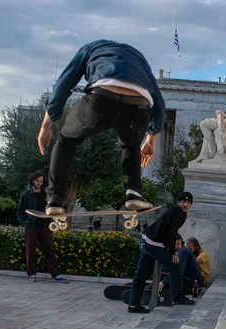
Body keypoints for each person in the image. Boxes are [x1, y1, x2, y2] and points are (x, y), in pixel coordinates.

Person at [37, 39, 165, 215]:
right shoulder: (139, 58)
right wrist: (151, 139)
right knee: (130, 145)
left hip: (102, 97)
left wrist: (47, 124)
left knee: (66, 140)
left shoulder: (89, 49)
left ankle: (55, 199)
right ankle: (134, 193)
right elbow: (158, 99)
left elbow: (64, 84)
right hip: (139, 104)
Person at [127, 191, 194, 313]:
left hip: (146, 241)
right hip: (152, 244)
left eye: (188, 202)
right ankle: (178, 297)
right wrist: (172, 252)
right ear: (178, 202)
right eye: (183, 201)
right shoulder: (177, 212)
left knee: (141, 274)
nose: (185, 204)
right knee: (173, 265)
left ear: (190, 205)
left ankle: (133, 305)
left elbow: (168, 230)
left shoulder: (177, 213)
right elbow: (171, 232)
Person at [16, 171, 69, 283]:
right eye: (37, 181)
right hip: (31, 227)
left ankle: (57, 275)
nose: (39, 183)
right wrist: (25, 222)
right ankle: (32, 274)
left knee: (49, 250)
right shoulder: (26, 195)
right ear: (32, 181)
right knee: (30, 250)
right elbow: (20, 211)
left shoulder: (46, 195)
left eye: (41, 181)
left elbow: (52, 208)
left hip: (45, 226)